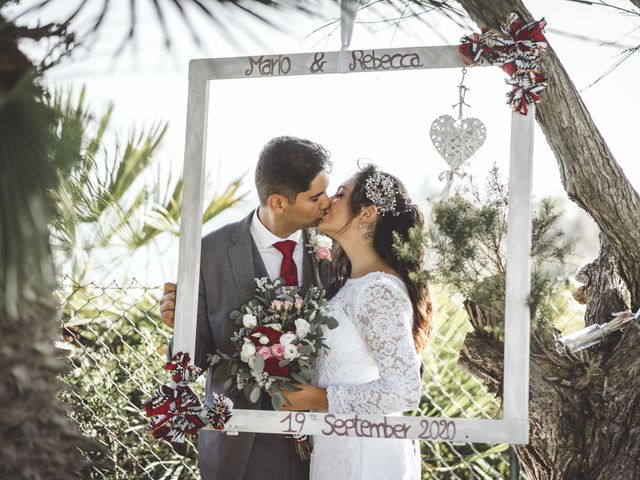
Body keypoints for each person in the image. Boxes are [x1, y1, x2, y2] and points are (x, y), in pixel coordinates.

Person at [160, 135, 332, 480]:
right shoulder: (208, 253)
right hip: (239, 450)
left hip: (323, 445)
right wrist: (177, 326)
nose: (328, 203)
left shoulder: (334, 251)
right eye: (316, 197)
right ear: (278, 203)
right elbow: (191, 361)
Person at [279, 164, 432, 480]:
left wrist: (319, 398)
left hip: (367, 458)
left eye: (340, 194)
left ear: (367, 214)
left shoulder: (377, 291)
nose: (328, 202)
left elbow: (404, 389)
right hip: (340, 449)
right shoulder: (352, 285)